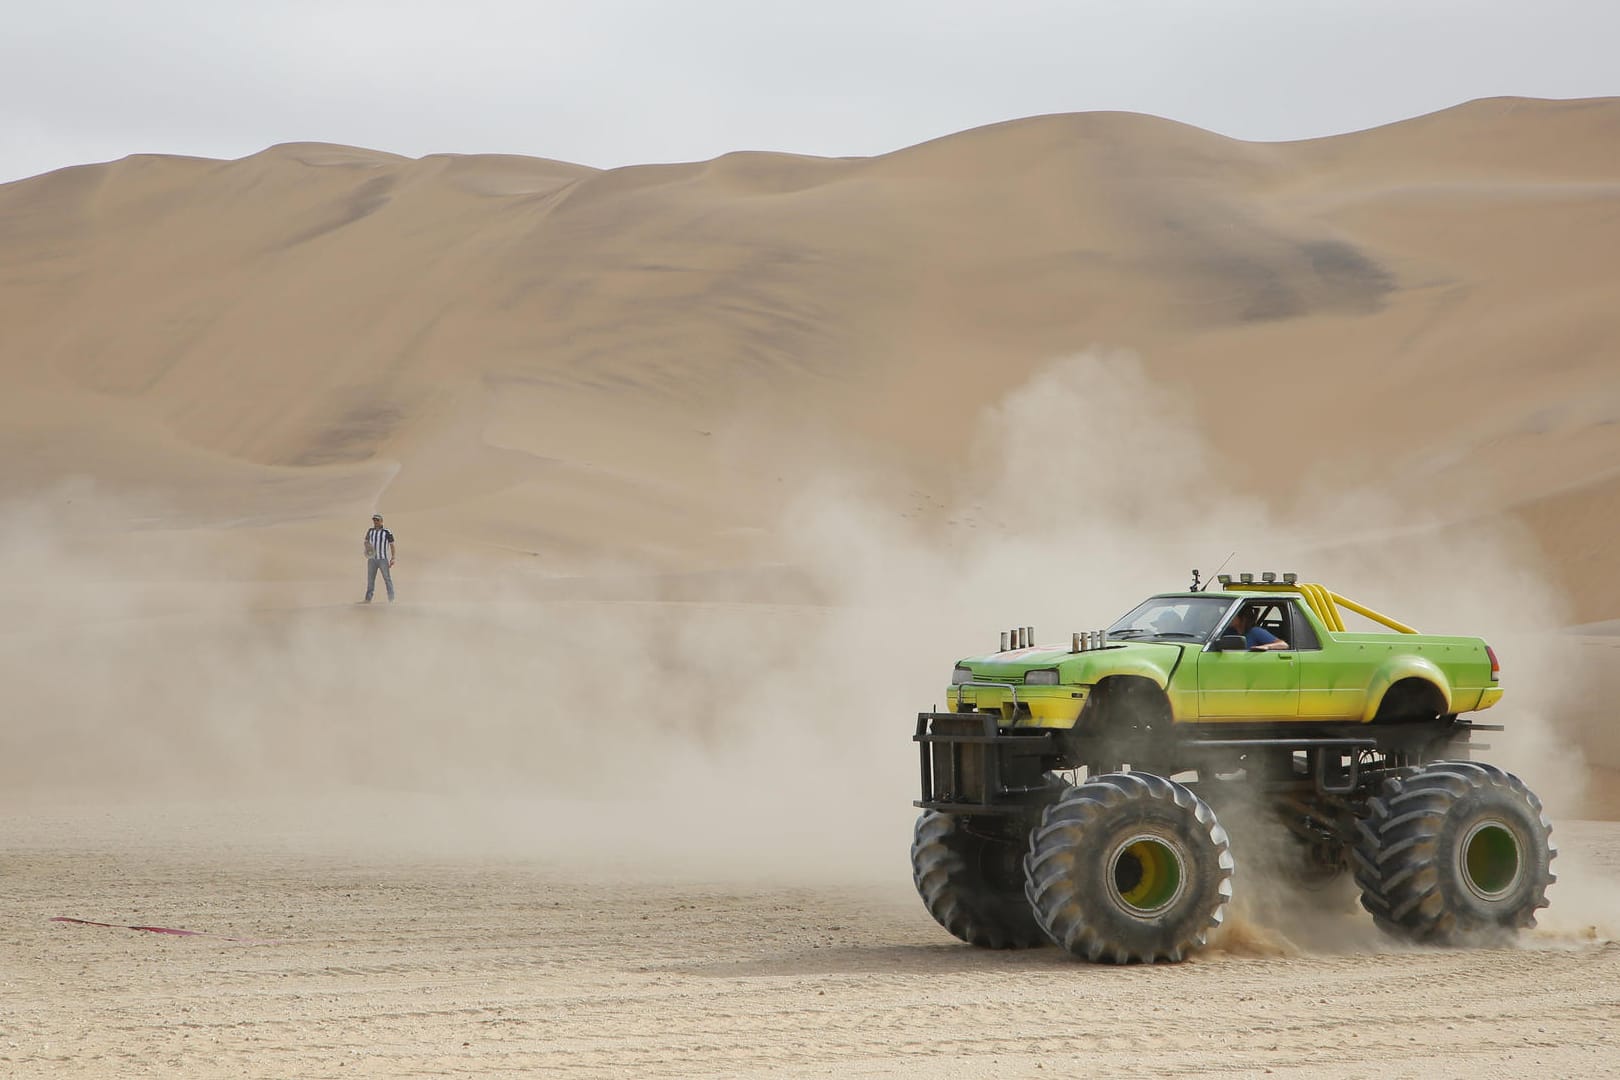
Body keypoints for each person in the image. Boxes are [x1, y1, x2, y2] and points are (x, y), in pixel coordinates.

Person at [363, 514, 396, 603]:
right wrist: (367, 547)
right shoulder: (370, 531)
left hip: (382, 559)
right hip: (372, 559)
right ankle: (368, 599)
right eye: (374, 520)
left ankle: (391, 599)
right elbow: (366, 541)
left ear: (381, 521)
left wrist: (393, 558)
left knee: (387, 579)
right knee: (370, 579)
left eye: (377, 520)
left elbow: (392, 545)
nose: (375, 522)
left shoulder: (386, 532)